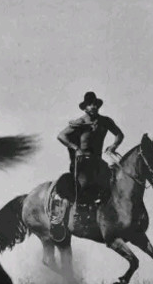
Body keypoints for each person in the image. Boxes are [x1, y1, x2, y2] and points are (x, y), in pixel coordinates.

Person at [49, 91, 124, 239]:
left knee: (112, 183)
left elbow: (119, 134)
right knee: (80, 187)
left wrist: (114, 146)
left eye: (95, 104)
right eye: (90, 104)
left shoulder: (105, 121)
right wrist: (76, 148)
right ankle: (60, 217)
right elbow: (61, 135)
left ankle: (108, 217)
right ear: (85, 108)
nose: (94, 106)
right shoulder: (80, 122)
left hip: (97, 162)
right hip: (82, 163)